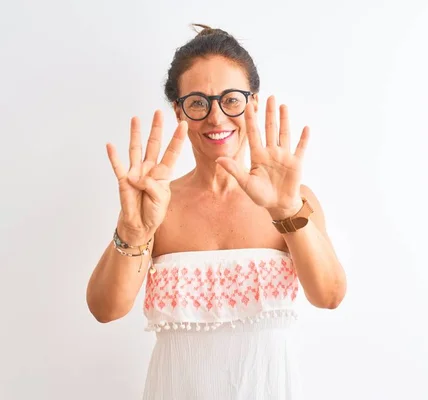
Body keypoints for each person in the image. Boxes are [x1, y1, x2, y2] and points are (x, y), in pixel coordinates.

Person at [86, 24, 347, 399]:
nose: (217, 118)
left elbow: (330, 295)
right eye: (197, 102)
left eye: (232, 99)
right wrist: (134, 229)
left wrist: (286, 209)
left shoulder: (293, 198)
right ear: (179, 111)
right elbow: (105, 309)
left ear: (253, 103)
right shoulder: (156, 204)